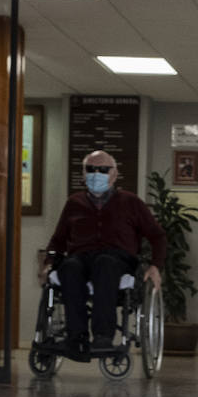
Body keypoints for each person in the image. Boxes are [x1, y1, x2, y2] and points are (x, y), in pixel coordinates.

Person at [43, 150, 164, 356]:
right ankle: (76, 336)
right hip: (81, 257)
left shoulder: (130, 202)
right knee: (69, 267)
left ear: (114, 175)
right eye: (91, 169)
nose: (96, 173)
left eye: (103, 169)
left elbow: (157, 235)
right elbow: (59, 239)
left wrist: (155, 266)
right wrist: (49, 261)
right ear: (83, 174)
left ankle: (103, 335)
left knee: (104, 263)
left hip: (117, 258)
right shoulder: (75, 202)